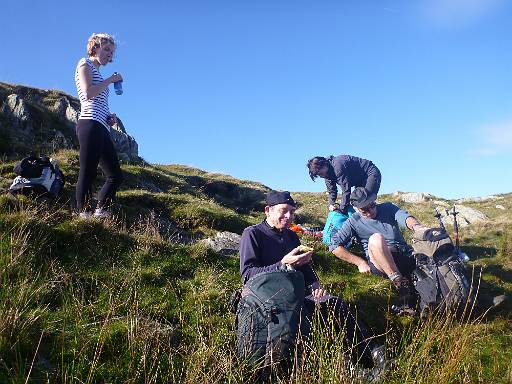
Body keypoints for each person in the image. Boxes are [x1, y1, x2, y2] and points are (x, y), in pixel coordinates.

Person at [239, 190, 386, 372]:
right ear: (267, 210)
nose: (288, 216)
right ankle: (345, 369)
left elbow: (305, 267)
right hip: (270, 300)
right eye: (283, 211)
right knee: (306, 320)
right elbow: (247, 275)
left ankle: (371, 354)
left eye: (292, 212)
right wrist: (283, 264)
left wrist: (315, 284)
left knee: (334, 304)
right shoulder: (252, 234)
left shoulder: (291, 235)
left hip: (298, 293)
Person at [329, 187, 428, 307]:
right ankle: (399, 283)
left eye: (372, 205)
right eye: (364, 210)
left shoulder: (388, 207)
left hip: (403, 255)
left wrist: (417, 227)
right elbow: (334, 246)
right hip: (379, 261)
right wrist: (359, 263)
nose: (370, 211)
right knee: (376, 238)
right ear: (356, 209)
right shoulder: (353, 221)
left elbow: (405, 218)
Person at [74, 33, 123, 218]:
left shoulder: (99, 74)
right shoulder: (84, 64)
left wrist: (110, 117)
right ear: (95, 47)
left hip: (102, 125)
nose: (109, 54)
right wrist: (111, 80)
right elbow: (87, 94)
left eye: (111, 52)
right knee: (88, 172)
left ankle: (100, 212)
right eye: (107, 49)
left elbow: (98, 100)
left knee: (116, 175)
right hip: (89, 123)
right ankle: (84, 215)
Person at [307, 155, 381, 215]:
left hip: (370, 173)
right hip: (359, 180)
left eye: (320, 173)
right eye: (319, 175)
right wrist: (331, 204)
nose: (321, 176)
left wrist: (342, 210)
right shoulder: (326, 174)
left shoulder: (338, 165)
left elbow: (346, 190)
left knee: (366, 202)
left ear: (324, 165)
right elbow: (332, 192)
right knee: (358, 202)